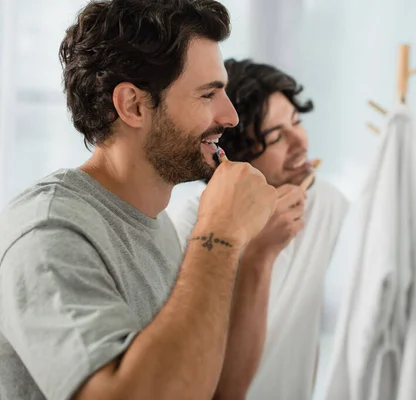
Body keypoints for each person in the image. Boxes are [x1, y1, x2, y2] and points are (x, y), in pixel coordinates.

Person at [0, 2, 279, 400]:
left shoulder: (155, 224)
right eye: (208, 94)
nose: (231, 116)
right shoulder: (47, 232)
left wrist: (257, 254)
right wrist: (220, 234)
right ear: (132, 105)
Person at [168, 59, 349, 400]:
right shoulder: (188, 229)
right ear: (234, 155)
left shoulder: (326, 204)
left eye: (297, 122)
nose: (301, 142)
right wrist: (260, 252)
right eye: (277, 136)